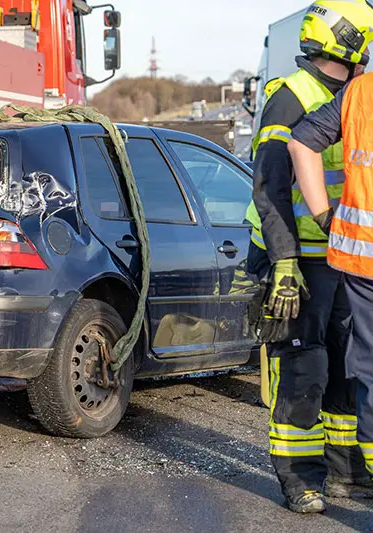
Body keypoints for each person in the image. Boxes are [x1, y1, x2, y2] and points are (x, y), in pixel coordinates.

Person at [243, 0, 373, 513]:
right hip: (295, 257)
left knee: (347, 363)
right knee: (303, 364)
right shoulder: (290, 97)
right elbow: (270, 186)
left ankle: (346, 470)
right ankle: (300, 477)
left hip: (342, 256)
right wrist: (284, 260)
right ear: (354, 42)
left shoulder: (351, 95)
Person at [288, 67, 373, 486]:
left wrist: (325, 215)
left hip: (363, 260)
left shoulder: (360, 93)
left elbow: (301, 143)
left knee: (369, 370)